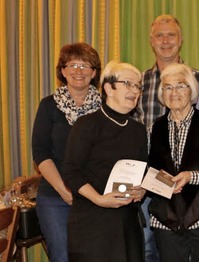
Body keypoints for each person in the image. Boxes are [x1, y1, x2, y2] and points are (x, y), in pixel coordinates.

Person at [134, 15, 199, 261]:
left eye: (171, 35)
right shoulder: (139, 83)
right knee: (150, 250)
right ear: (151, 41)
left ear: (180, 41)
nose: (165, 41)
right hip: (153, 188)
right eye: (160, 35)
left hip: (195, 193)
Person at [146, 63, 199, 262]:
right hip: (165, 220)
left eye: (180, 86)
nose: (173, 92)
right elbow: (148, 170)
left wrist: (191, 176)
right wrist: (162, 181)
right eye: (167, 87)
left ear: (192, 91)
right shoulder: (154, 128)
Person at [63, 60, 147, 261]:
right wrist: (99, 199)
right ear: (109, 88)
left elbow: (143, 169)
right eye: (128, 83)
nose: (134, 90)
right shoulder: (87, 125)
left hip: (128, 223)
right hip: (93, 222)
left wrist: (142, 189)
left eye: (137, 86)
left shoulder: (138, 130)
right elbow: (71, 171)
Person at [32, 42, 102, 262]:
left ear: (94, 72)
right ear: (62, 71)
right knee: (62, 256)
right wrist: (63, 190)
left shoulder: (106, 107)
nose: (78, 71)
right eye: (72, 65)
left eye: (84, 65)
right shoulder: (48, 106)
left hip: (94, 197)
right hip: (56, 197)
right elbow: (41, 153)